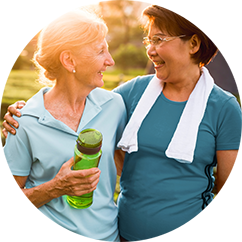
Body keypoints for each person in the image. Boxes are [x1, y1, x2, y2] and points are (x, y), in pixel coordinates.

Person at [3, 0, 242, 242]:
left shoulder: (223, 108)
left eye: (159, 39)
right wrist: (23, 111)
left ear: (194, 43)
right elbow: (73, 97)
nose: (150, 49)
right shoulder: (132, 93)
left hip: (191, 237)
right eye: (150, 40)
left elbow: (233, 199)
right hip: (126, 236)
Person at [0, 8, 126, 242]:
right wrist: (57, 187)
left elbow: (127, 165)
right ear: (69, 60)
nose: (110, 60)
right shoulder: (24, 120)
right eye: (101, 51)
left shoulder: (115, 106)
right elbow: (4, 201)